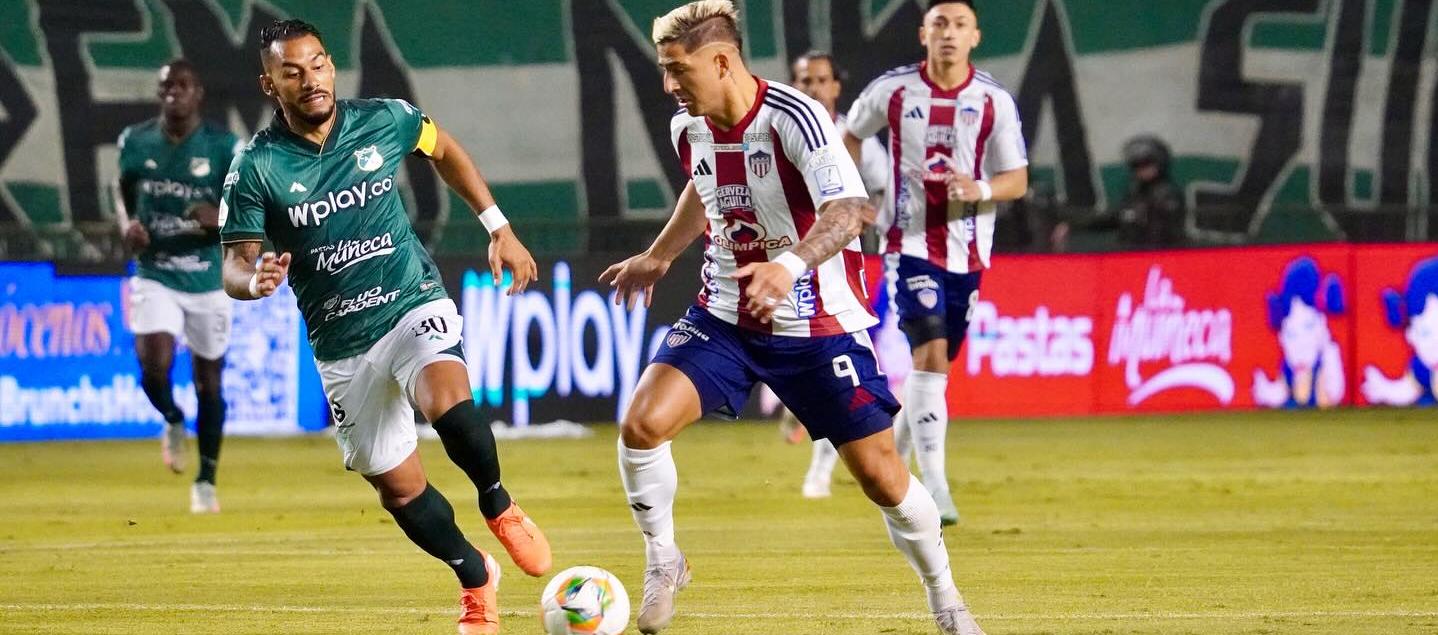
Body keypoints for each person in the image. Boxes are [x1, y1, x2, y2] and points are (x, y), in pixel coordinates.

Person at [600, 3, 985, 633]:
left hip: (817, 324)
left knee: (884, 480)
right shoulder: (687, 127)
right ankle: (664, 560)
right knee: (642, 425)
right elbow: (703, 188)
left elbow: (848, 209)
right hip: (724, 314)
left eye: (677, 69)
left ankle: (945, 597)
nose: (669, 85)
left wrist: (789, 265)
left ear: (721, 60)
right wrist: (658, 255)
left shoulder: (795, 117)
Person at [217, 19, 550, 634]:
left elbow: (445, 150)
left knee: (448, 402)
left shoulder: (385, 119)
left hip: (409, 301)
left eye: (317, 64)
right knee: (399, 490)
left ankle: (498, 502)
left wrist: (498, 227)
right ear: (270, 83)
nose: (309, 79)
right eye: (292, 71)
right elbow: (234, 265)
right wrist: (253, 279)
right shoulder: (255, 168)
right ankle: (476, 577)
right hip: (341, 342)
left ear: (331, 66)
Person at [843, 0, 1029, 526]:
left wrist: (980, 188)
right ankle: (937, 488)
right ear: (924, 34)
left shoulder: (993, 100)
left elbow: (1017, 178)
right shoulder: (894, 90)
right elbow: (849, 136)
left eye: (959, 25)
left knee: (937, 370)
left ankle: (896, 459)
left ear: (976, 36)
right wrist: (855, 197)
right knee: (929, 355)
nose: (948, 33)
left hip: (969, 249)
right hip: (908, 244)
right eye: (939, 24)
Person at [113, 59, 239, 514]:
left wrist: (220, 218)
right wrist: (128, 225)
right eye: (166, 86)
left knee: (209, 382)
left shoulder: (225, 147)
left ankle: (206, 480)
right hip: (156, 270)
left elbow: (251, 208)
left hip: (208, 277)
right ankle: (171, 417)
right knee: (153, 368)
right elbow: (122, 191)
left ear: (198, 93)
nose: (173, 93)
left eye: (182, 86)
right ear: (158, 92)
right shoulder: (135, 140)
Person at [787, 50, 895, 499]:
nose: (812, 87)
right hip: (787, 264)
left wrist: (874, 221)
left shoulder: (856, 139)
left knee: (841, 372)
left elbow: (886, 194)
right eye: (804, 80)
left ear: (836, 87)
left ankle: (820, 470)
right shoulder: (779, 130)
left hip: (842, 272)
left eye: (821, 80)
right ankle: (794, 405)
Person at [1051, 135, 1186, 250]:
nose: (1141, 170)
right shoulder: (1136, 193)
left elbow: (1161, 236)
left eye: (1146, 164)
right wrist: (1073, 224)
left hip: (1154, 261)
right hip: (1129, 260)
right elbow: (1113, 218)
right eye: (1136, 165)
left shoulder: (1166, 195)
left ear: (1159, 163)